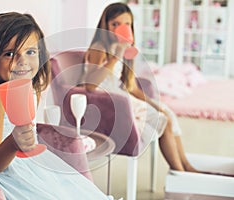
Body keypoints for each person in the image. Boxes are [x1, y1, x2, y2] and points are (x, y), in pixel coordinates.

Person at [0, 12, 115, 200]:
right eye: (9, 54)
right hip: (2, 174)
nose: (22, 61)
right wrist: (12, 143)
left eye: (30, 52)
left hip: (27, 164)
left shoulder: (29, 90)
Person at [82, 2, 198, 172]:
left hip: (122, 96)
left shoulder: (125, 50)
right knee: (163, 122)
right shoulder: (99, 49)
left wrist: (156, 104)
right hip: (107, 102)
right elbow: (90, 86)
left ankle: (186, 165)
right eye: (115, 24)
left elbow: (131, 87)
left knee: (168, 114)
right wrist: (115, 57)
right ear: (105, 25)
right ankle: (179, 170)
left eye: (126, 24)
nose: (120, 28)